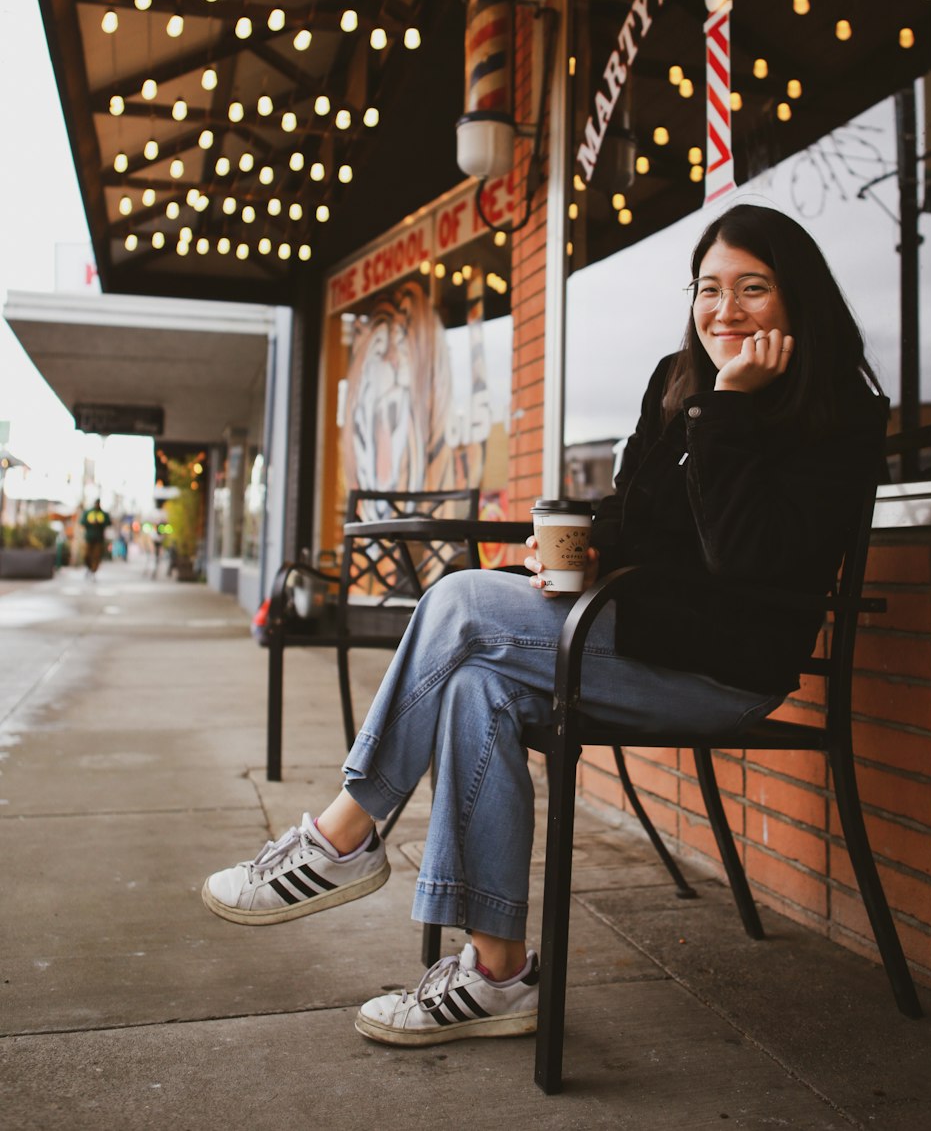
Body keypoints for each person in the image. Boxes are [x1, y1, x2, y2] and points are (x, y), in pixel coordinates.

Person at [201, 204, 886, 1048]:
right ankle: (495, 976)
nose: (726, 311)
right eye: (710, 289)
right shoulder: (677, 381)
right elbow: (640, 517)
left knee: (456, 601)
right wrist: (586, 546)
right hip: (640, 638)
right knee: (474, 686)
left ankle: (344, 834)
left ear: (797, 298)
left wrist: (730, 405)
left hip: (723, 675)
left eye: (753, 288)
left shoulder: (836, 413)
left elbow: (745, 556)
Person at [82, 499, 111, 578]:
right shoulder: (88, 512)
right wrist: (90, 523)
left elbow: (109, 522)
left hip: (99, 539)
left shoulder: (103, 513)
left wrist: (100, 523)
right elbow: (82, 522)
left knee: (96, 556)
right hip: (89, 538)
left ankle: (93, 571)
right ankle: (89, 568)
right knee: (86, 555)